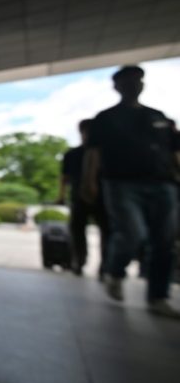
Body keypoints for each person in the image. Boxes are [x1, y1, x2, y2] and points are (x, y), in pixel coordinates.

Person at [82, 65, 180, 318]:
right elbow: (93, 154)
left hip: (162, 184)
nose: (133, 85)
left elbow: (174, 153)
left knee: (164, 241)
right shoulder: (105, 119)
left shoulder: (159, 117)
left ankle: (158, 296)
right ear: (117, 87)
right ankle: (115, 271)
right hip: (121, 183)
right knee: (132, 233)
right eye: (126, 81)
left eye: (137, 80)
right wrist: (90, 182)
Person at [57, 119, 108, 278]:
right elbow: (64, 177)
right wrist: (61, 195)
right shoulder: (72, 154)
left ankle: (104, 266)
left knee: (107, 232)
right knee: (77, 231)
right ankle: (79, 262)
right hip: (78, 197)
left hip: (103, 198)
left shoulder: (106, 153)